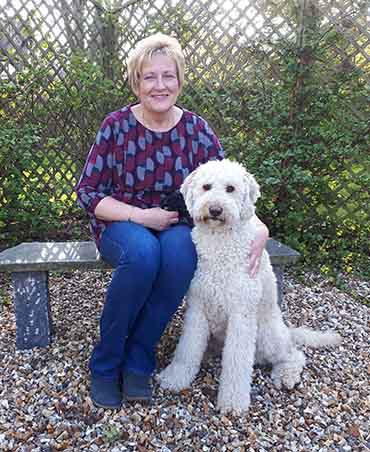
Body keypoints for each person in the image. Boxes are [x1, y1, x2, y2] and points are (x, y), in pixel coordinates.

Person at [75, 33, 269, 409]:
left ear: (179, 81)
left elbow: (229, 187)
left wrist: (260, 227)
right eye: (149, 77)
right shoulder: (115, 127)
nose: (159, 85)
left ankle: (139, 359)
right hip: (120, 222)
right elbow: (88, 192)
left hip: (176, 226)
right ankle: (105, 364)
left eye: (168, 76)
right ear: (136, 82)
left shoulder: (197, 130)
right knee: (143, 254)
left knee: (181, 255)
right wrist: (138, 215)